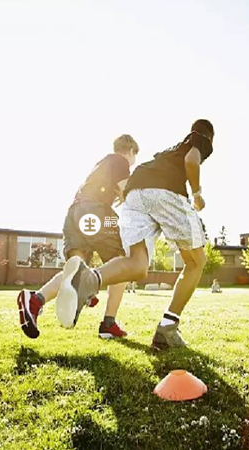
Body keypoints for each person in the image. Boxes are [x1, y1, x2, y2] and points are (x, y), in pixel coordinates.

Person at [51, 119, 214, 351]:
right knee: (197, 261)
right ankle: (167, 328)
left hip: (135, 193)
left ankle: (89, 280)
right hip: (163, 193)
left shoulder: (165, 154)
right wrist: (197, 195)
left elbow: (129, 185)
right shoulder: (199, 137)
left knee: (137, 265)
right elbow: (191, 161)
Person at [17, 135, 139, 340]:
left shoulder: (100, 165)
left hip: (75, 213)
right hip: (96, 212)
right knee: (123, 264)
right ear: (132, 151)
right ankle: (108, 323)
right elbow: (127, 191)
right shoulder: (120, 160)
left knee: (75, 270)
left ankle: (35, 300)